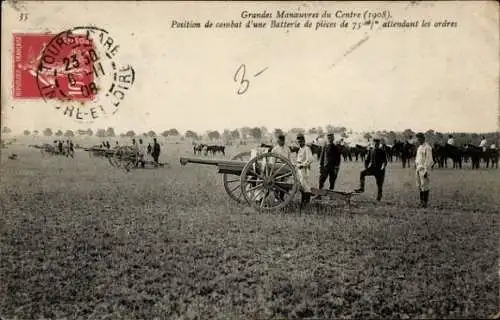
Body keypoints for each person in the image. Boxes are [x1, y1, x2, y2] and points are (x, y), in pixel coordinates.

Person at [354, 136, 388, 201]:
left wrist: (382, 167)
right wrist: (366, 167)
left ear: (379, 144)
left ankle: (379, 196)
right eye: (375, 143)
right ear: (373, 143)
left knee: (379, 184)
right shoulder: (371, 150)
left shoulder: (382, 151)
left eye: (377, 144)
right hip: (372, 169)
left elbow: (385, 161)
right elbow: (367, 160)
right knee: (362, 173)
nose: (376, 144)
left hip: (380, 171)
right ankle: (361, 188)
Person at [415, 132, 433, 208]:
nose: (419, 140)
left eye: (420, 138)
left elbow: (429, 160)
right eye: (418, 139)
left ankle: (425, 203)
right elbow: (417, 158)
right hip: (418, 168)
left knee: (425, 186)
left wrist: (426, 171)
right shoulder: (419, 147)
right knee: (419, 186)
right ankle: (421, 202)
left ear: (423, 138)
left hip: (424, 169)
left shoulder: (427, 147)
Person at [295, 133, 314, 207]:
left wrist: (303, 165)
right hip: (299, 169)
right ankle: (303, 202)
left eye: (301, 141)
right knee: (301, 186)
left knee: (306, 186)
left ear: (304, 141)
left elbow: (310, 159)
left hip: (304, 169)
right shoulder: (300, 149)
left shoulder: (307, 148)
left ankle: (306, 203)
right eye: (298, 141)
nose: (299, 143)